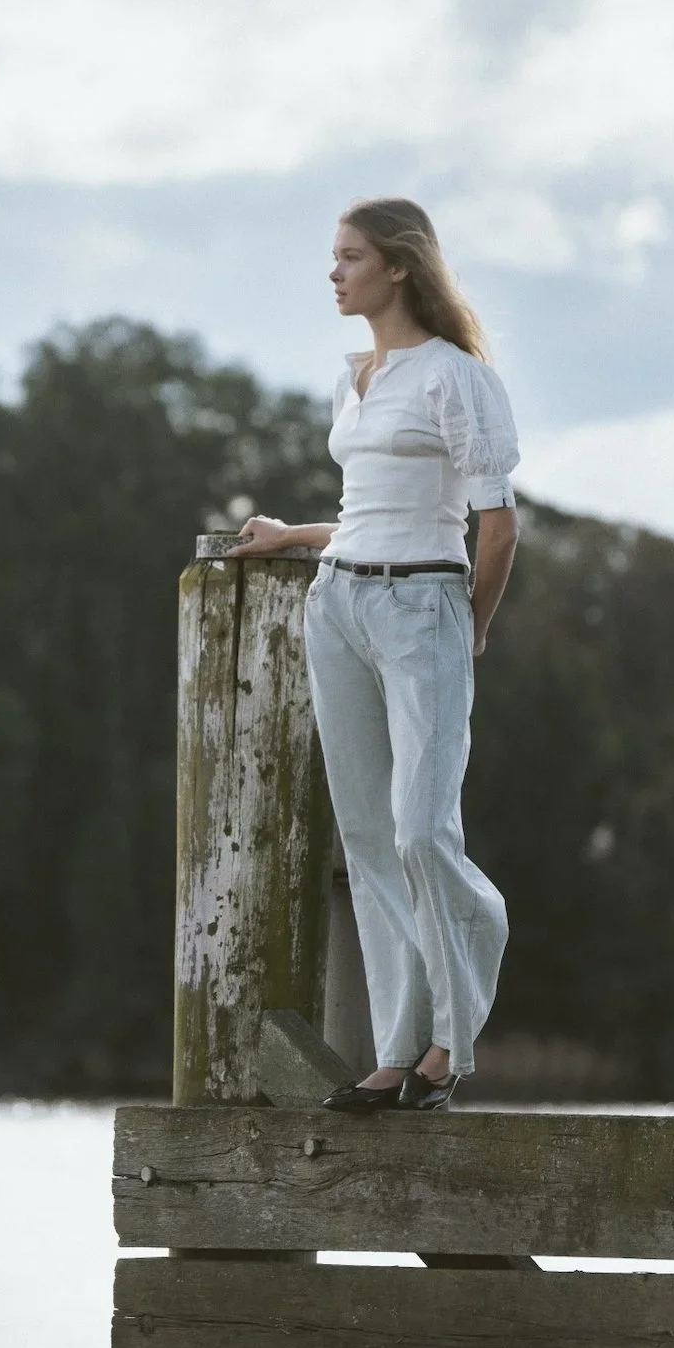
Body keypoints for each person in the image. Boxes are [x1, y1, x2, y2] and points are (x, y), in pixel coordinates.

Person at [229, 196, 520, 1113]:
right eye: (333, 255)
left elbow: (497, 525)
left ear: (398, 265)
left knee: (421, 829)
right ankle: (398, 1051)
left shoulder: (455, 375)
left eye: (349, 256)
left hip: (424, 603)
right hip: (339, 601)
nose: (334, 271)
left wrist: (468, 621)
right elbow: (367, 514)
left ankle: (451, 1039)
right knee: (366, 838)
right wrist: (291, 534)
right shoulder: (355, 375)